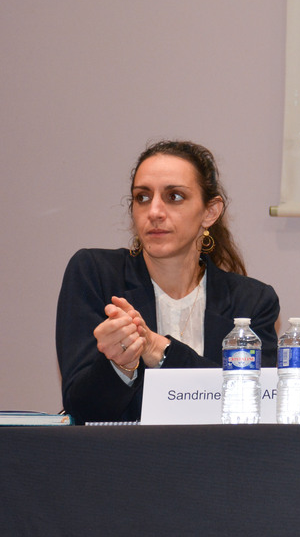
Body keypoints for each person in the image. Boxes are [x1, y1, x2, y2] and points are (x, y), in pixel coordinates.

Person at [56, 140, 279, 423]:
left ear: (210, 212)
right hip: (121, 461)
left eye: (174, 197)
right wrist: (121, 367)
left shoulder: (252, 301)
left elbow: (254, 404)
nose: (155, 212)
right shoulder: (95, 274)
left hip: (220, 462)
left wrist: (158, 349)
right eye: (143, 197)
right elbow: (81, 408)